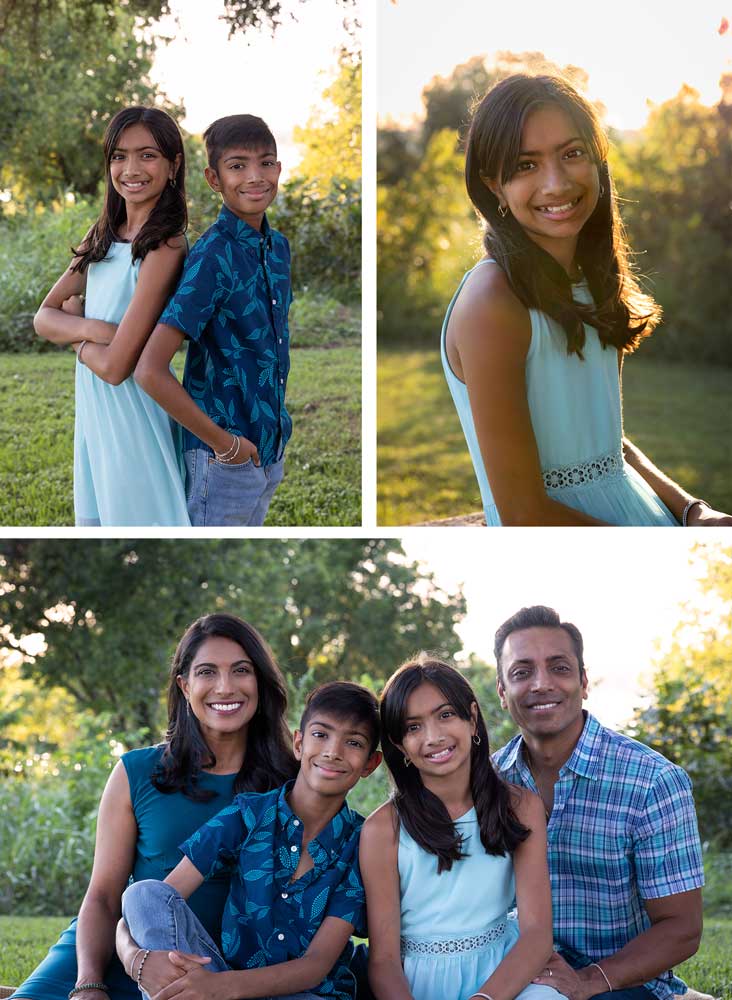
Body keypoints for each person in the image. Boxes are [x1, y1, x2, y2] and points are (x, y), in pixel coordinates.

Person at [441, 73, 732, 526]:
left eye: (572, 154)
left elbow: (606, 444)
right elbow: (523, 515)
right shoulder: (493, 301)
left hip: (645, 515)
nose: (556, 184)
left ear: (598, 160)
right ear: (494, 185)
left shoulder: (591, 282)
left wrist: (693, 512)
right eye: (525, 165)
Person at [10, 613, 297, 1000]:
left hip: (215, 975)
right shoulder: (138, 772)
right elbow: (103, 896)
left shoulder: (294, 783)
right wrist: (89, 983)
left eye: (241, 671)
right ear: (184, 685)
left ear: (260, 682)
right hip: (117, 951)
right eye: (207, 672)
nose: (225, 687)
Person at [119, 681, 382, 1000]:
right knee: (143, 893)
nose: (332, 751)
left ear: (370, 763)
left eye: (353, 742)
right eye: (321, 734)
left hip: (307, 994)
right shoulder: (249, 814)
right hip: (224, 983)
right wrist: (134, 957)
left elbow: (316, 965)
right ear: (299, 744)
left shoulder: (361, 842)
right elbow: (155, 903)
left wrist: (215, 988)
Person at [492, 605, 704, 1000]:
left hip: (618, 983)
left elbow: (682, 927)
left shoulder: (652, 782)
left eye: (559, 668)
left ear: (584, 682)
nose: (541, 684)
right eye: (522, 672)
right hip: (516, 975)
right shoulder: (489, 781)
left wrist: (589, 980)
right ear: (503, 693)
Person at [360, 656, 564, 1000]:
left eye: (445, 715)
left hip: (505, 975)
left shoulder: (522, 807)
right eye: (413, 727)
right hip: (418, 984)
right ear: (399, 745)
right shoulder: (383, 829)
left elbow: (537, 934)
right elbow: (384, 959)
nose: (434, 737)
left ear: (471, 718)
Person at [34, 106, 191, 527]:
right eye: (119, 156)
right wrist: (96, 329)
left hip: (134, 416)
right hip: (95, 414)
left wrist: (77, 338)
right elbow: (43, 317)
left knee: (140, 520)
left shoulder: (166, 246)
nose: (131, 168)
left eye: (147, 155)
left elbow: (117, 367)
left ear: (173, 165)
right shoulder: (102, 234)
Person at [134, 114, 293, 527]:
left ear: (279, 167)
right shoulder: (211, 256)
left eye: (266, 162)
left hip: (269, 448)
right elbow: (150, 370)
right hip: (221, 459)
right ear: (213, 178)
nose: (255, 177)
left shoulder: (278, 249)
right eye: (238, 165)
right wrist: (225, 446)